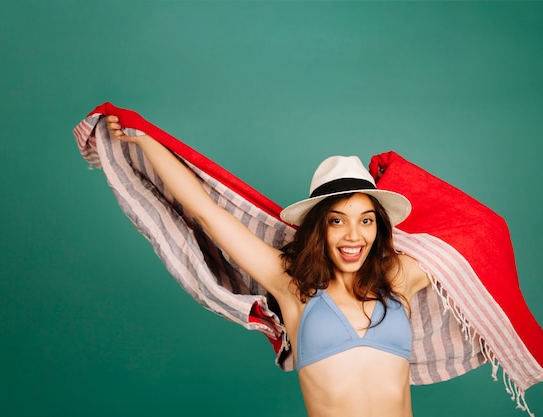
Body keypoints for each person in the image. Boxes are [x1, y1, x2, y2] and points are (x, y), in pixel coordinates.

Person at [107, 115, 431, 417]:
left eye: (366, 221)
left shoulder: (399, 278)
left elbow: (470, 236)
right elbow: (207, 212)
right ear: (319, 228)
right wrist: (146, 140)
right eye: (337, 221)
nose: (353, 235)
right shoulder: (292, 286)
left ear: (379, 229)